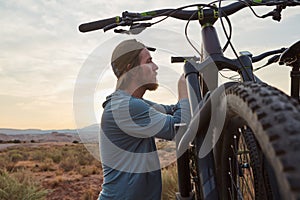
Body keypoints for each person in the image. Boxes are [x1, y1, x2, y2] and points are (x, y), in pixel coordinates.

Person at [98, 39, 191, 200]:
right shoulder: (124, 107)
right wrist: (184, 87)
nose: (156, 67)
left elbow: (172, 110)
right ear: (132, 70)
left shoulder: (133, 104)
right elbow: (179, 128)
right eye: (149, 61)